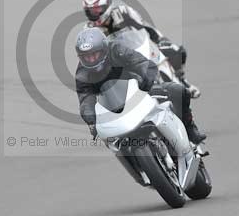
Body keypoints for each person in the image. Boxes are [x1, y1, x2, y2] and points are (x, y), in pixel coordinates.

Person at [74, 27, 206, 144]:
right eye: (86, 57)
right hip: (114, 110)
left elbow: (141, 62)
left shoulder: (116, 50)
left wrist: (146, 81)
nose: (91, 60)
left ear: (103, 49)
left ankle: (190, 128)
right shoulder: (82, 75)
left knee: (180, 91)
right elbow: (85, 99)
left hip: (140, 92)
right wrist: (91, 119)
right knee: (109, 139)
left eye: (94, 54)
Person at [82, 0, 201, 98]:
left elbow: (146, 27)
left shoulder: (124, 12)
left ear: (107, 5)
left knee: (175, 50)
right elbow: (89, 55)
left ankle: (182, 80)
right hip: (116, 64)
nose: (94, 14)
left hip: (139, 50)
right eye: (90, 11)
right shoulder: (88, 30)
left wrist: (161, 40)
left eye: (97, 9)